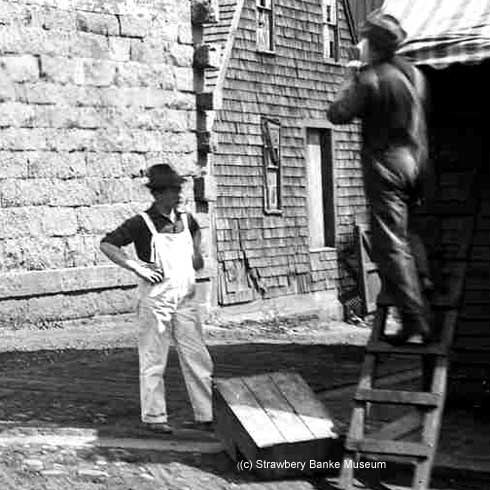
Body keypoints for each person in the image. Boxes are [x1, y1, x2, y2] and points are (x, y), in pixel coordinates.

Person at [327, 10, 432, 344]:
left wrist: (350, 78)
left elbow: (338, 113)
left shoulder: (371, 77)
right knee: (410, 229)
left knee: (389, 243)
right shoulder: (413, 73)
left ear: (373, 44)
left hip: (386, 164)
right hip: (416, 159)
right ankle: (424, 279)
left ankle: (415, 321)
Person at [100, 164, 213, 433]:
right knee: (154, 358)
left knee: (198, 357)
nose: (178, 194)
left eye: (178, 189)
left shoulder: (187, 220)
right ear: (158, 194)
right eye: (172, 190)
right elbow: (108, 244)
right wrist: (135, 266)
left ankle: (207, 414)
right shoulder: (142, 222)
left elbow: (196, 235)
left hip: (185, 299)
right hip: (156, 301)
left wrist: (196, 253)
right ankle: (154, 417)